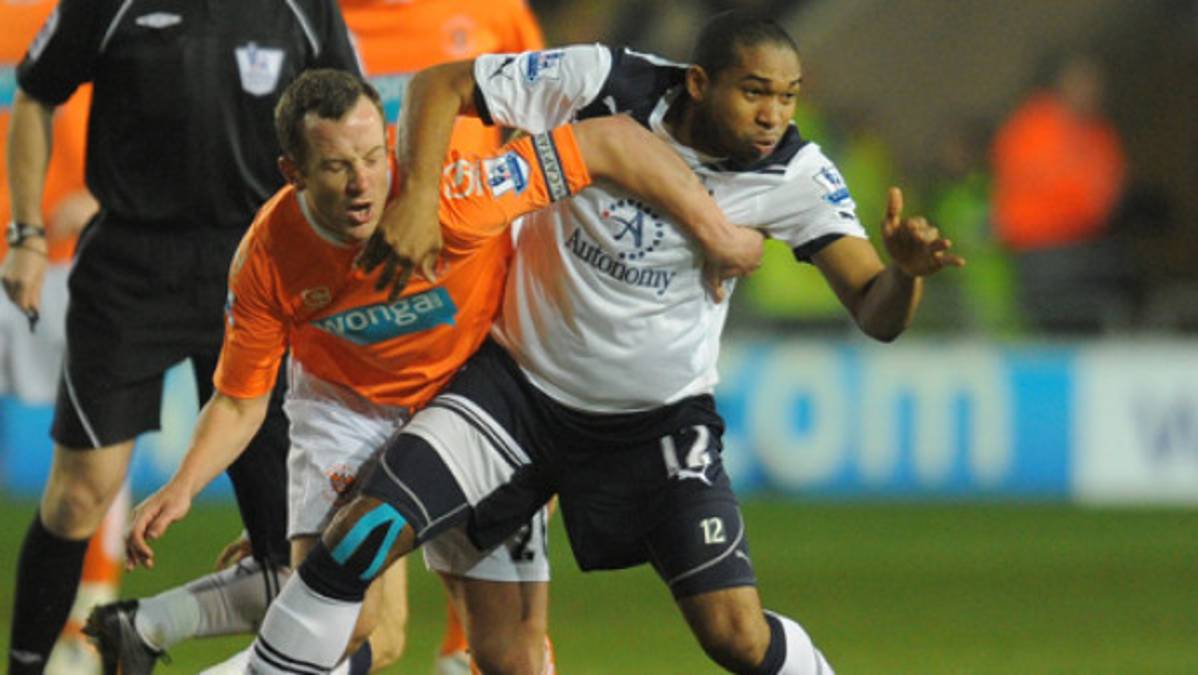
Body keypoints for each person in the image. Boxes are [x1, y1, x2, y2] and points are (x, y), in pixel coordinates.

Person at [243, 10, 963, 675]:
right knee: (359, 538)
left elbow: (876, 310)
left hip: (655, 425)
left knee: (734, 635)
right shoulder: (600, 80)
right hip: (516, 394)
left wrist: (903, 274)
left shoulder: (798, 176)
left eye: (789, 96)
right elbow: (444, 83)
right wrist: (419, 194)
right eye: (755, 92)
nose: (774, 114)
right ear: (699, 82)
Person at [123, 68, 756, 675]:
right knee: (348, 610)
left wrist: (718, 231)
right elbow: (239, 401)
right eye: (337, 167)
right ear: (293, 172)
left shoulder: (455, 192)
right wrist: (182, 486)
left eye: (374, 157)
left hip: (477, 399)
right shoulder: (268, 257)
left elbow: (607, 141)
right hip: (348, 408)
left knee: (508, 655)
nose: (363, 184)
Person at [3, 2, 360, 674]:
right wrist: (24, 232)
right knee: (80, 493)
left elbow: (352, 116)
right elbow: (34, 93)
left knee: (293, 541)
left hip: (262, 268)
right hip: (131, 272)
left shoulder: (302, 9)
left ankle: (153, 628)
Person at [338, 3, 546, 670]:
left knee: (502, 497)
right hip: (363, 314)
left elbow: (542, 117)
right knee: (353, 602)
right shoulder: (308, 17)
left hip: (482, 295)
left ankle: (464, 648)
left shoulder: (494, 10)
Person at [991, 51, 1127, 334]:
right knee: (1053, 327)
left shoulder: (1098, 134)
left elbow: (1106, 194)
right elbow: (1036, 182)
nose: (1091, 92)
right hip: (1041, 248)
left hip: (1086, 247)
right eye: (1083, 83)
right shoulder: (1033, 128)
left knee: (1090, 322)